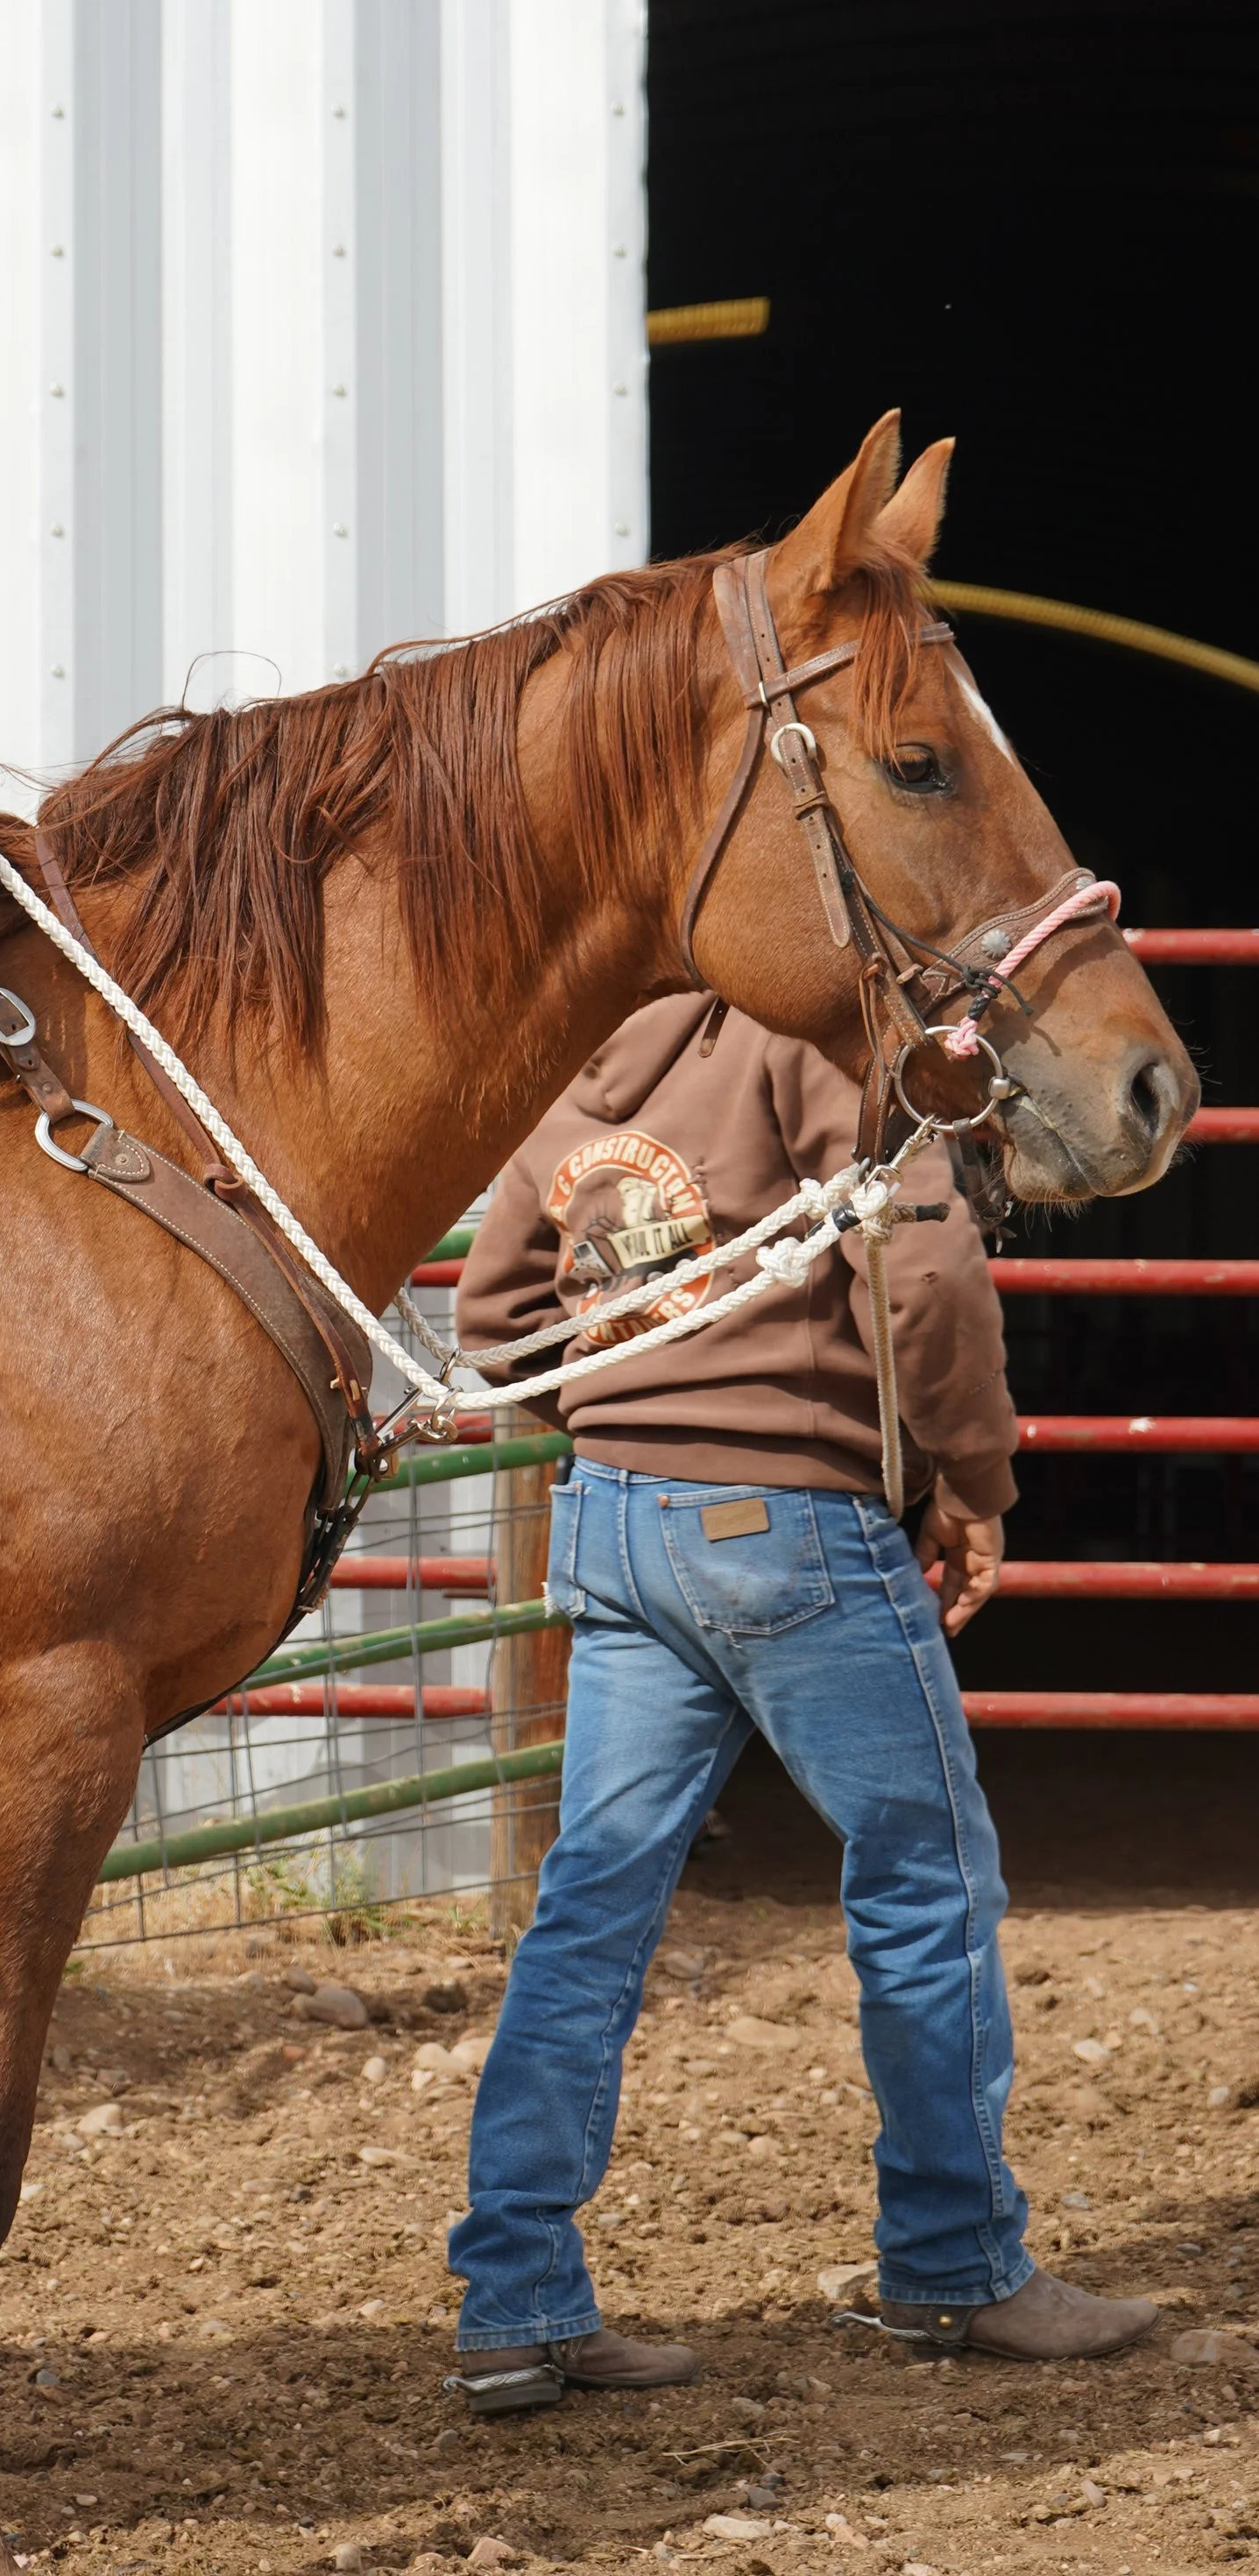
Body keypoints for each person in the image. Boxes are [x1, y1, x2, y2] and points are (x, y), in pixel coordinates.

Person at [442, 992, 1157, 2411]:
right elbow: (930, 1272)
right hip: (793, 1524)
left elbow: (495, 1314)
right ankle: (954, 2262)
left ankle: (514, 2297)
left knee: (592, 1908)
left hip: (614, 1521)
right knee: (928, 1877)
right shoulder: (827, 1048)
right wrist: (975, 1477)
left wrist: (625, 1420)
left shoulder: (565, 1069)